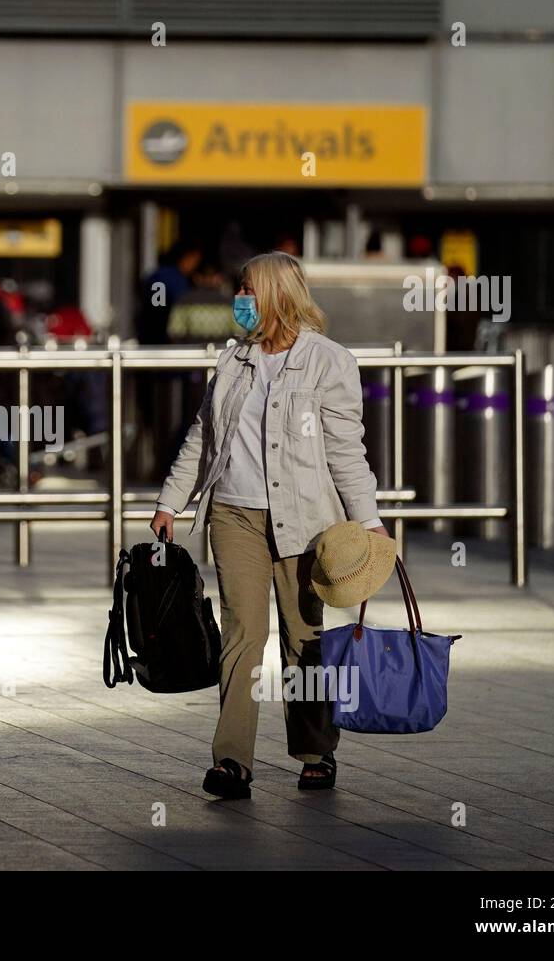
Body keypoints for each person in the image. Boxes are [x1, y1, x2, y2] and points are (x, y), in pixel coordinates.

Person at [149, 251, 390, 799]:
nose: (240, 298)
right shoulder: (234, 360)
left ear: (278, 295)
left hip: (305, 520)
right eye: (240, 287)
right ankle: (231, 761)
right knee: (241, 633)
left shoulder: (329, 361)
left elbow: (345, 450)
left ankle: (314, 751)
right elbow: (203, 436)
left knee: (303, 636)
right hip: (234, 513)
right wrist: (171, 501)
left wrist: (369, 520)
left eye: (248, 288)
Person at [136, 240, 201, 345]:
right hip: (164, 341)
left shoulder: (155, 276)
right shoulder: (176, 281)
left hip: (146, 337)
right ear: (187, 258)